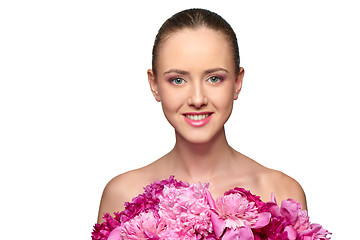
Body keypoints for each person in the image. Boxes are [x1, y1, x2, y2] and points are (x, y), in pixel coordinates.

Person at [97, 8, 306, 224]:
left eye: (214, 78)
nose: (197, 99)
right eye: (178, 80)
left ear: (237, 82)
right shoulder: (122, 196)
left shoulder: (281, 194)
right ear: (154, 85)